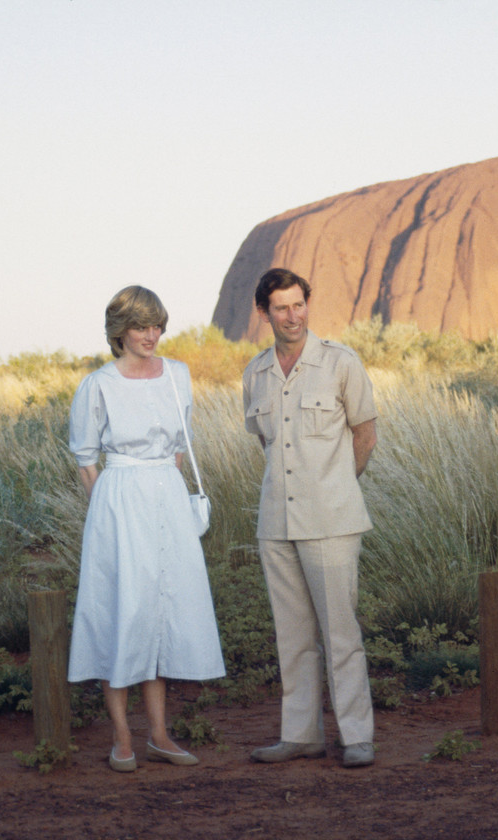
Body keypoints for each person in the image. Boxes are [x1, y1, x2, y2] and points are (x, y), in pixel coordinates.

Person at [68, 286, 225, 772]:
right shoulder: (98, 384)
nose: (151, 335)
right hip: (118, 503)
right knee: (122, 610)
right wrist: (109, 510)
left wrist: (162, 484)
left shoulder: (178, 375)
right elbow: (84, 457)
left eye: (157, 325)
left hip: (167, 496)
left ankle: (159, 735)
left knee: (162, 610)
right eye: (140, 326)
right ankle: (122, 738)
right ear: (120, 332)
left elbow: (180, 444)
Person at [242, 268, 378, 768]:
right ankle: (301, 734)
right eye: (281, 307)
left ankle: (357, 736)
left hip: (332, 520)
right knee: (292, 635)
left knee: (341, 633)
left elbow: (365, 434)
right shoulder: (255, 373)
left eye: (299, 304)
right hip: (276, 523)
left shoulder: (341, 363)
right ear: (264, 312)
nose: (292, 315)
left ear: (307, 305)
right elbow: (268, 442)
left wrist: (338, 486)